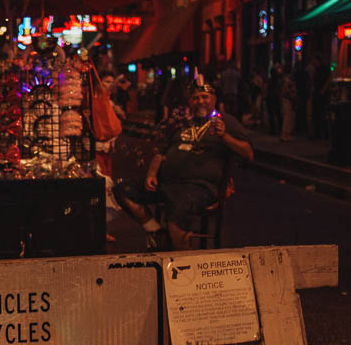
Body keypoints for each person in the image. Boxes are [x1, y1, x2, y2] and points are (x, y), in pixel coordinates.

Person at [116, 79, 254, 250]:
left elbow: (248, 153)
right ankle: (157, 232)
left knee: (179, 203)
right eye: (195, 98)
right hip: (169, 183)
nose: (200, 101)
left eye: (204, 97)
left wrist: (225, 136)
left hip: (200, 187)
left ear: (214, 99)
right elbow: (161, 153)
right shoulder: (182, 123)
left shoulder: (225, 121)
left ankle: (182, 262)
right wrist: (151, 174)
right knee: (124, 190)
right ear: (189, 102)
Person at [280, 65, 298, 141]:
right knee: (287, 117)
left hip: (287, 99)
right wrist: (291, 94)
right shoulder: (287, 80)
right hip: (288, 100)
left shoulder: (285, 79)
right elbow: (286, 89)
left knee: (288, 117)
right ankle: (285, 134)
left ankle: (286, 134)